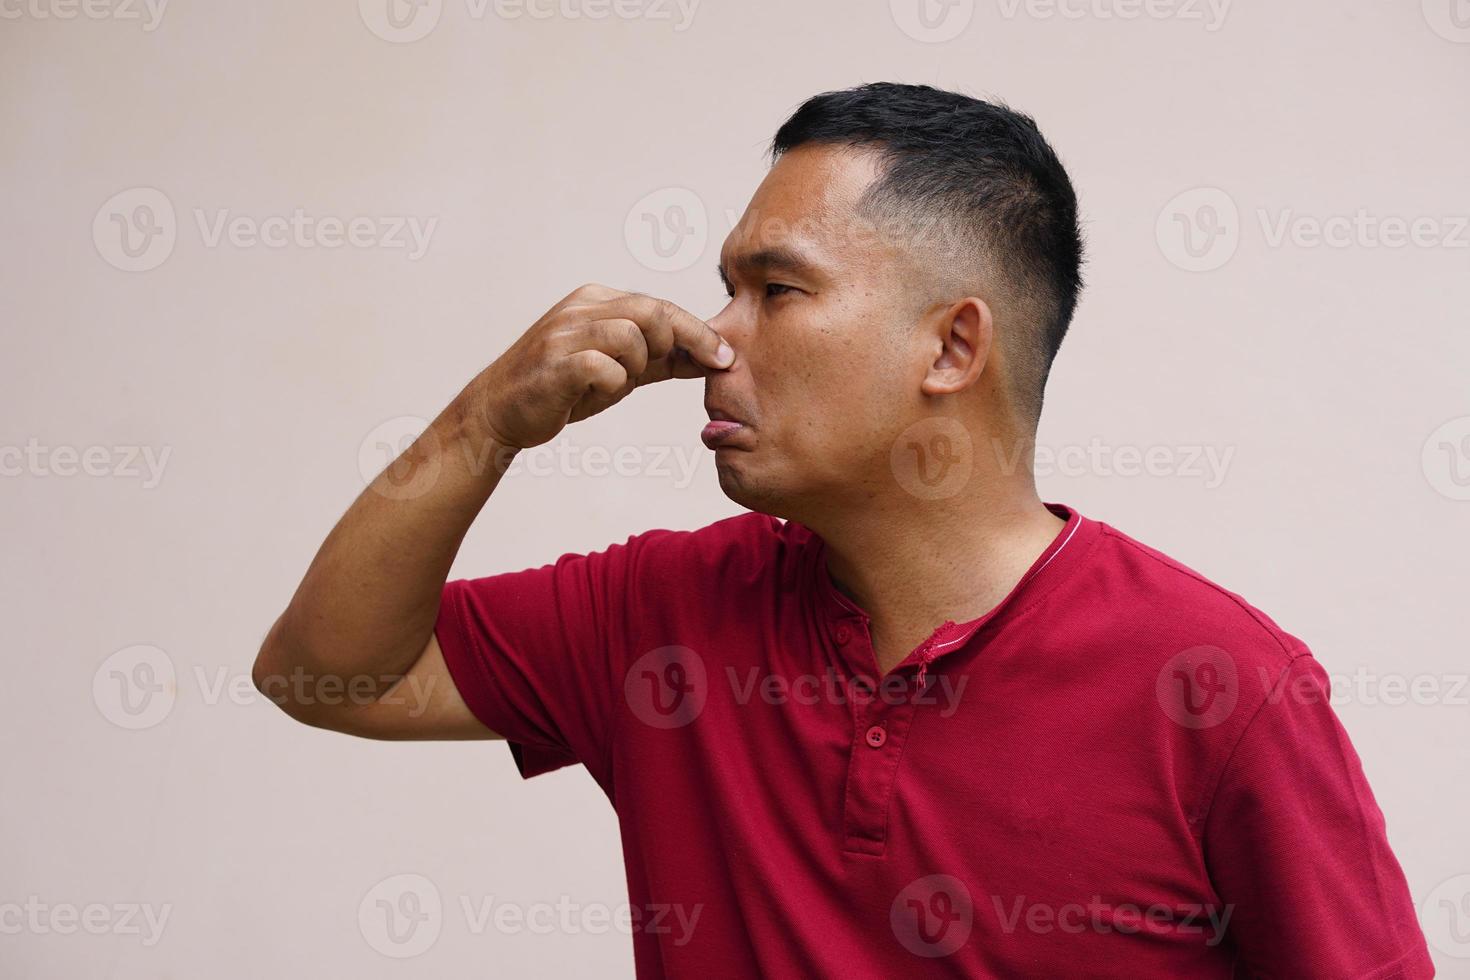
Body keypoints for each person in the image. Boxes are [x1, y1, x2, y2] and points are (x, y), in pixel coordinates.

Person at [254, 82, 1433, 977]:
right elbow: (327, 673)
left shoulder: (1223, 688)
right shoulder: (659, 614)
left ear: (953, 347)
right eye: (724, 285)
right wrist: (485, 421)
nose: (712, 336)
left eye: (777, 289)